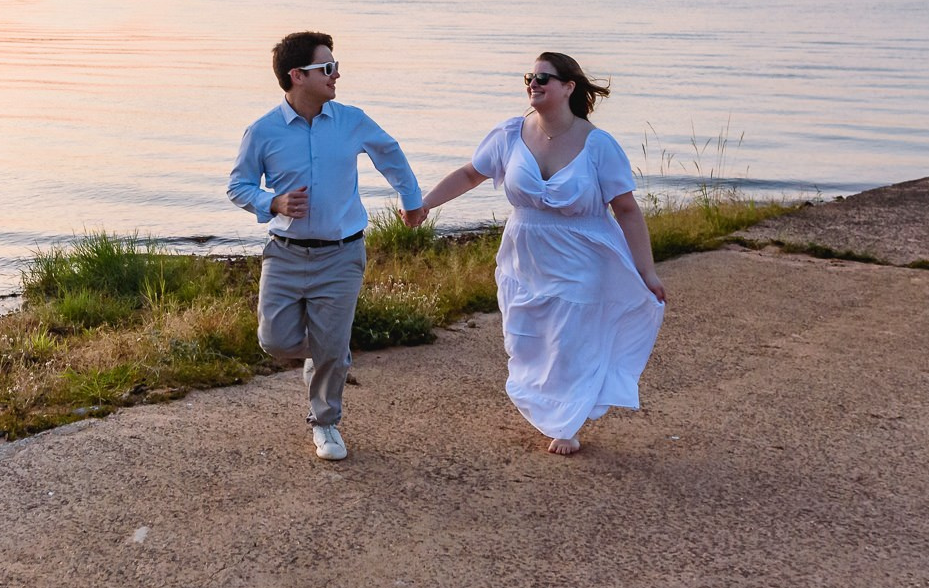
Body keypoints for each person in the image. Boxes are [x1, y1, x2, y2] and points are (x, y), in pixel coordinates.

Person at [415, 51, 666, 456]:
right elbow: (469, 174)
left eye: (544, 78)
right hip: (525, 257)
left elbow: (626, 210)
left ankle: (566, 423)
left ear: (568, 87)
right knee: (527, 340)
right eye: (530, 77)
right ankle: (553, 407)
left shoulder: (598, 145)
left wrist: (647, 271)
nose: (533, 83)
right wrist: (425, 204)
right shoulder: (510, 134)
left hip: (583, 256)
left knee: (570, 342)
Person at [228, 31, 425, 461]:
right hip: (284, 254)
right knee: (274, 341)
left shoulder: (351, 120)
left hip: (342, 253)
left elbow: (390, 154)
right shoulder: (262, 131)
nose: (336, 75)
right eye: (327, 68)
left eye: (335, 67)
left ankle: (325, 422)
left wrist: (412, 201)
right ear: (297, 75)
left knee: (331, 349)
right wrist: (272, 202)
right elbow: (238, 185)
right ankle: (329, 350)